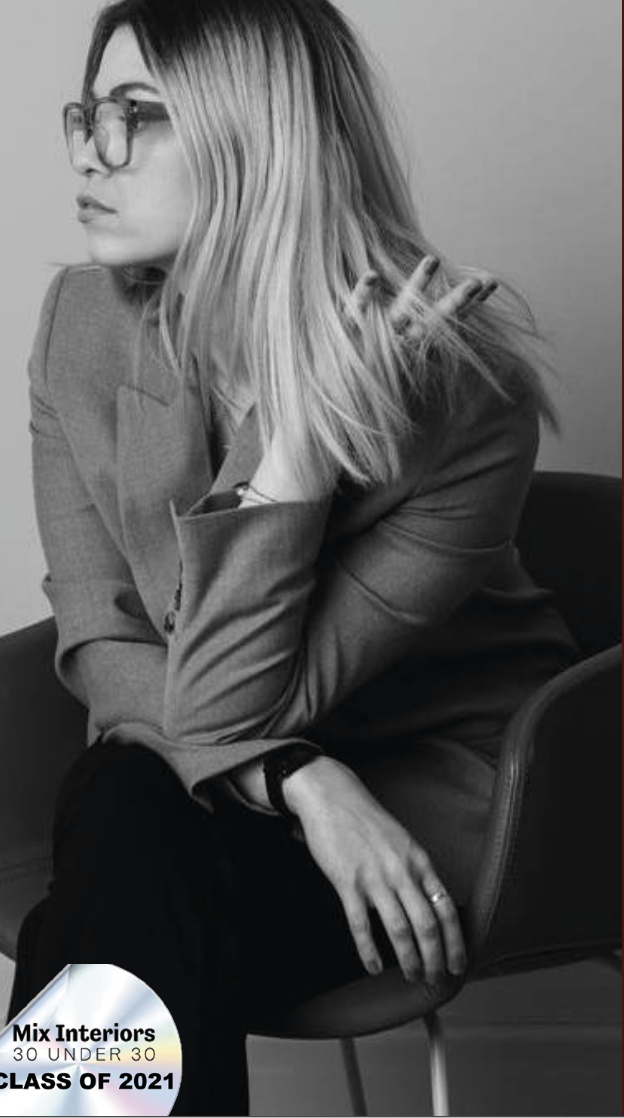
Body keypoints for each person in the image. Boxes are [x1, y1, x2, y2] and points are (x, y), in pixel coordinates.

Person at [8, 0, 579, 1113]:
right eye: (88, 111)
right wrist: (304, 778)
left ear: (258, 139)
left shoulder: (464, 391)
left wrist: (300, 445)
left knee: (114, 906)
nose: (88, 149)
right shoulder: (78, 323)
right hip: (245, 790)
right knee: (136, 834)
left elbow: (223, 694)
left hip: (423, 805)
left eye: (139, 114)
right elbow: (100, 636)